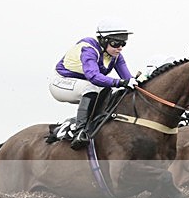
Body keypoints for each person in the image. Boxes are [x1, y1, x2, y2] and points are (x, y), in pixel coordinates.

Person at [49, 18, 137, 150]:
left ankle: (97, 122)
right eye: (115, 43)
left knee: (107, 90)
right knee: (92, 87)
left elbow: (128, 78)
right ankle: (80, 131)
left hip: (82, 84)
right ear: (103, 40)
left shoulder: (116, 55)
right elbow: (94, 76)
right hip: (61, 82)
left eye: (123, 44)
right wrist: (120, 82)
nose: (120, 48)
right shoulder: (89, 49)